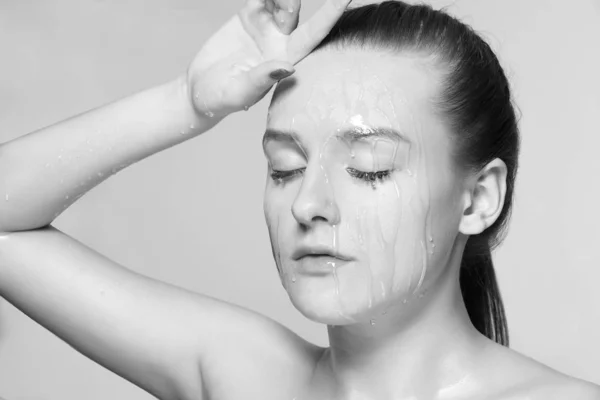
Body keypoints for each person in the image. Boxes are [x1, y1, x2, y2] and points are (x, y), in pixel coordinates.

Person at [0, 0, 598, 399]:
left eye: (369, 170)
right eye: (285, 168)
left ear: (478, 198)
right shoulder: (245, 376)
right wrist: (184, 104)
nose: (308, 204)